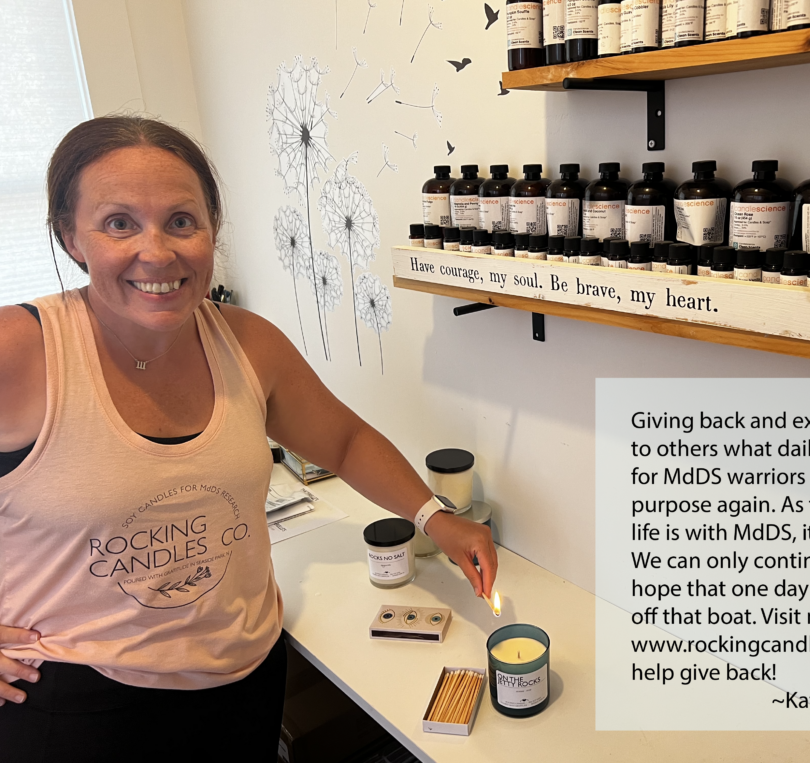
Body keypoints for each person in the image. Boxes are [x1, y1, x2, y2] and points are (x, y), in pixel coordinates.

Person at [0, 116, 497, 761]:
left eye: (182, 221)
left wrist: (436, 518)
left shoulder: (246, 342)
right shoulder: (22, 352)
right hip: (76, 701)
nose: (158, 252)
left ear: (212, 230)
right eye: (119, 223)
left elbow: (342, 441)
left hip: (242, 679)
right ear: (71, 236)